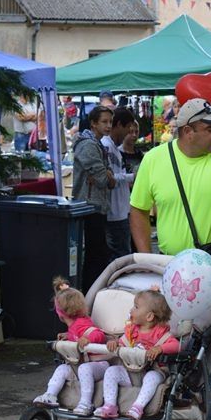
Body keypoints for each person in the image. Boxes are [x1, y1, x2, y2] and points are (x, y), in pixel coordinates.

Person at [129, 97, 211, 279]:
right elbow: (138, 209)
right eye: (210, 129)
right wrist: (147, 259)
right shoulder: (153, 159)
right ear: (188, 131)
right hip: (168, 263)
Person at [94, 289, 181, 420]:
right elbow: (122, 342)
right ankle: (110, 405)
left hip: (152, 371)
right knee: (112, 371)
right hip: (131, 373)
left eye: (136, 307)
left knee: (152, 377)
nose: (131, 310)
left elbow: (176, 345)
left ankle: (138, 407)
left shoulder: (160, 333)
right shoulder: (132, 331)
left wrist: (160, 348)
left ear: (149, 317)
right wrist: (115, 343)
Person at [33, 278, 108, 415]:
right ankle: (50, 394)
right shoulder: (74, 326)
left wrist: (88, 339)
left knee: (84, 369)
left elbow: (99, 335)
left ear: (60, 312)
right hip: (82, 365)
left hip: (98, 365)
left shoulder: (81, 323)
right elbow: (77, 334)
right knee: (62, 368)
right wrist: (68, 335)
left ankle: (86, 403)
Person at [72, 106, 117, 291]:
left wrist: (107, 175)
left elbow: (109, 178)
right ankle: (90, 293)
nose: (108, 126)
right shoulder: (88, 145)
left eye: (110, 122)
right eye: (104, 122)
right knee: (95, 254)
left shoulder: (97, 144)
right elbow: (101, 179)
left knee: (97, 253)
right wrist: (106, 175)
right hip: (89, 205)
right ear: (93, 123)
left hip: (96, 205)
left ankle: (92, 292)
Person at [101, 108, 138, 259]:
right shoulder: (106, 146)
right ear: (120, 125)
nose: (130, 132)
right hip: (114, 212)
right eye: (129, 127)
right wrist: (132, 177)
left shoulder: (113, 147)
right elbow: (109, 178)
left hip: (121, 210)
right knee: (120, 257)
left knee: (122, 255)